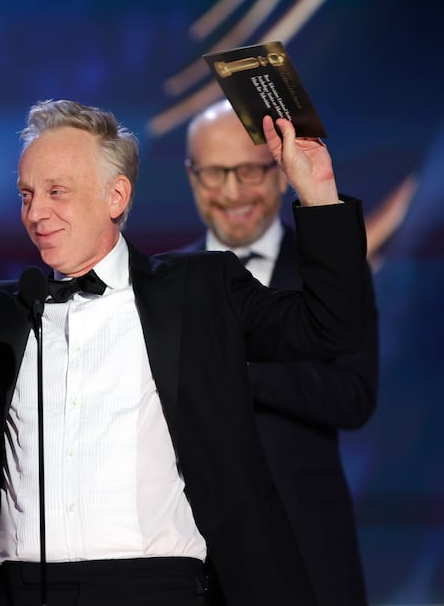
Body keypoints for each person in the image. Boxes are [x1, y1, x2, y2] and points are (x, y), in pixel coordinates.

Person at [0, 99, 369, 606]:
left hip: (158, 588)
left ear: (116, 196)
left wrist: (317, 193)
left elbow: (328, 328)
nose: (35, 213)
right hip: (19, 589)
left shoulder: (200, 292)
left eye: (57, 192)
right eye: (27, 194)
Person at [165, 99, 377, 606]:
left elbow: (354, 396)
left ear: (281, 173)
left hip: (307, 546)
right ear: (192, 177)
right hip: (191, 555)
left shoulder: (328, 273)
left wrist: (231, 366)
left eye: (251, 171)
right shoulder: (164, 284)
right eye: (216, 173)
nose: (233, 192)